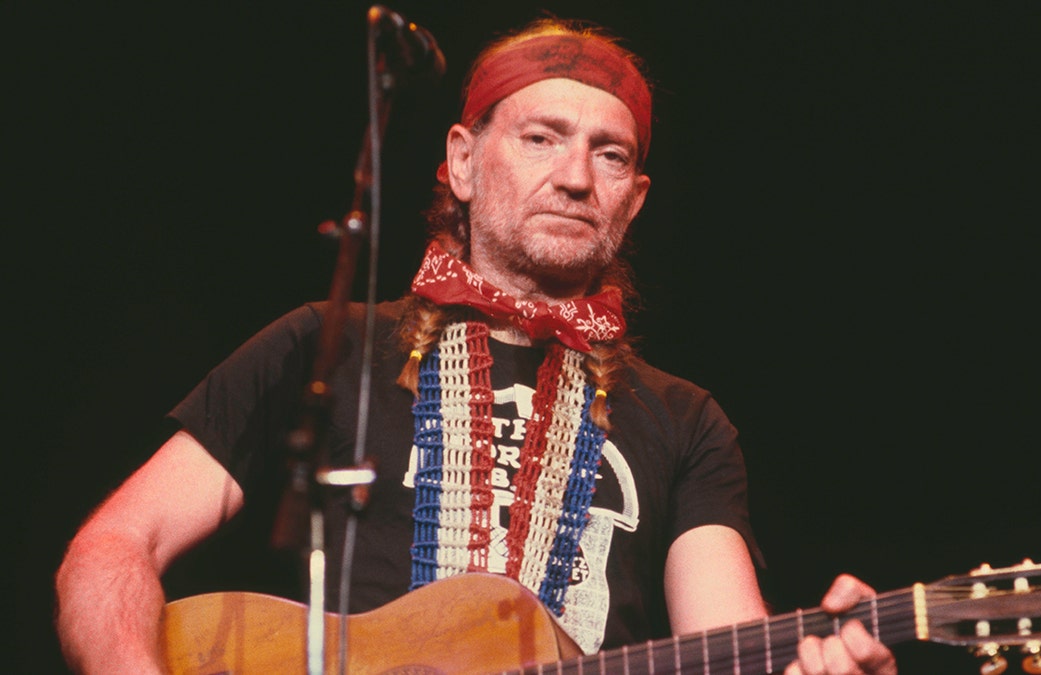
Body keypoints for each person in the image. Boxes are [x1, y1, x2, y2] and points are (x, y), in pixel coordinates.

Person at [55, 17, 897, 675]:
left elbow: (729, 642)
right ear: (461, 161)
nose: (575, 176)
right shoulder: (328, 342)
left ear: (633, 201)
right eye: (542, 136)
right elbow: (109, 549)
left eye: (610, 154)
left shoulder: (686, 420)